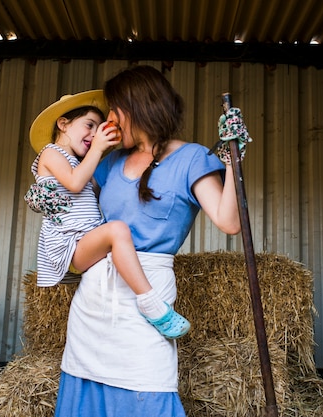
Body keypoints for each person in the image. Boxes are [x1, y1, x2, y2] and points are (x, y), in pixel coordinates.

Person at [54, 66, 243, 417]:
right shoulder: (109, 162)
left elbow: (229, 222)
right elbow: (76, 210)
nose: (108, 120)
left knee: (149, 392)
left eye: (114, 110)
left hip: (148, 305)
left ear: (137, 107)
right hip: (93, 304)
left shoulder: (191, 158)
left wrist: (233, 162)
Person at [28, 90, 191, 339]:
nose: (94, 135)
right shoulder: (51, 153)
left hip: (86, 238)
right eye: (89, 125)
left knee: (120, 236)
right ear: (63, 124)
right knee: (117, 230)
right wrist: (99, 148)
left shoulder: (78, 162)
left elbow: (89, 190)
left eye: (98, 129)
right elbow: (74, 183)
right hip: (71, 243)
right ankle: (152, 305)